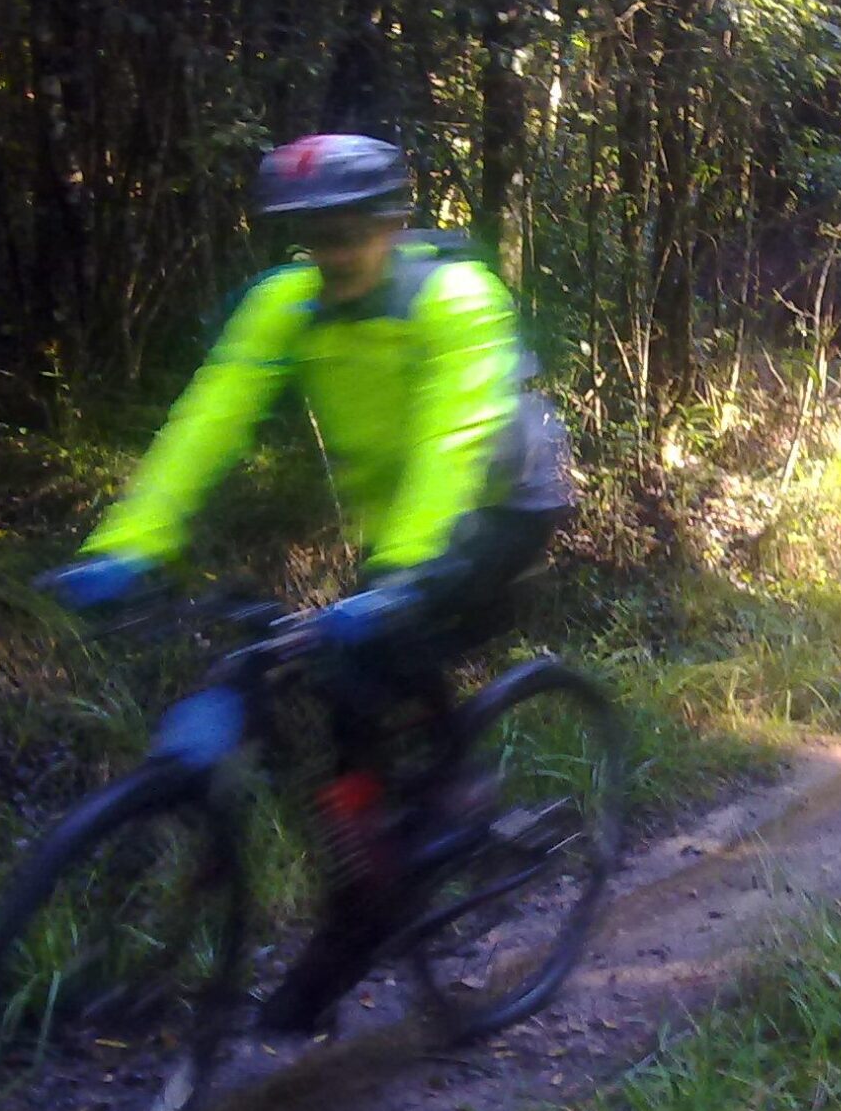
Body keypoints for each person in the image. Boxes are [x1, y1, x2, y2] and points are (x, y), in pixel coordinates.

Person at [42, 132, 576, 1033]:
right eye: (310, 231)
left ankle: (411, 855)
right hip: (403, 519)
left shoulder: (456, 299)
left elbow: (451, 443)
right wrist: (127, 547)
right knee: (332, 682)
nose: (330, 250)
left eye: (348, 227)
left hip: (501, 503)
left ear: (392, 222)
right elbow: (207, 421)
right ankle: (383, 842)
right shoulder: (285, 304)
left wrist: (400, 581)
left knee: (380, 648)